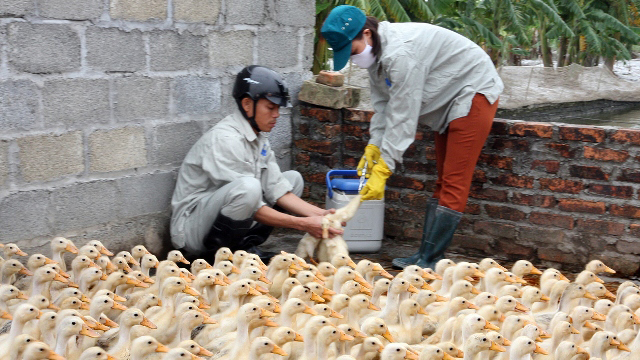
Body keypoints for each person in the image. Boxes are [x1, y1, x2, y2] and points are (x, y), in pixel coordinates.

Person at [321, 6, 504, 269]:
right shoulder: (377, 55)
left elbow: (403, 117)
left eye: (352, 51)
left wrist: (383, 169)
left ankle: (431, 259)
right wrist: (373, 146)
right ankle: (423, 256)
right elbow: (384, 107)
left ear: (367, 33)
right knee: (444, 179)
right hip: (449, 95)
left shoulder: (400, 54)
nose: (352, 59)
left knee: (454, 181)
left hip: (473, 90)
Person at [170, 65, 342, 263]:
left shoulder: (258, 137)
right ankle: (214, 259)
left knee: (293, 181)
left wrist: (324, 216)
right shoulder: (226, 139)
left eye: (278, 108)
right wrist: (304, 224)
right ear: (247, 104)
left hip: (218, 216)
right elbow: (253, 205)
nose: (276, 114)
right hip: (191, 231)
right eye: (270, 107)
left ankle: (243, 248)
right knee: (249, 189)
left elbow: (277, 189)